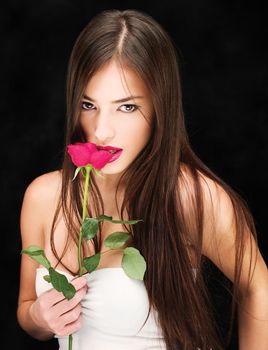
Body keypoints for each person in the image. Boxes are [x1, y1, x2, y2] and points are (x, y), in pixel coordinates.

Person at [17, 8, 268, 350]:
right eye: (89, 105)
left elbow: (258, 287)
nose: (101, 131)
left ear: (160, 109)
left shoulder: (191, 196)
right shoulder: (44, 197)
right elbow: (27, 312)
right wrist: (39, 318)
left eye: (127, 107)